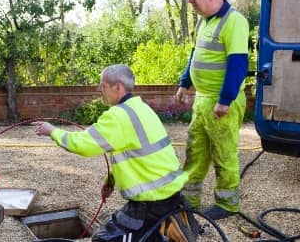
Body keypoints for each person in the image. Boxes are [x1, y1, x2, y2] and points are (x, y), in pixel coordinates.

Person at [34, 64, 197, 241]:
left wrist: (52, 131)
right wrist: (111, 180)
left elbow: (83, 144)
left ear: (117, 87)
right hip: (172, 198)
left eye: (102, 85)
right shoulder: (141, 109)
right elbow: (137, 155)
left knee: (102, 239)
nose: (99, 89)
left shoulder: (118, 116)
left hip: (151, 206)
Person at [176, 0, 249, 220]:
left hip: (221, 102)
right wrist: (185, 83)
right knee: (195, 151)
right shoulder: (203, 22)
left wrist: (225, 100)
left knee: (223, 153)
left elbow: (238, 65)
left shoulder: (235, 21)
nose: (191, 1)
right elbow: (195, 55)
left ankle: (227, 205)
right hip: (203, 99)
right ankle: (189, 199)